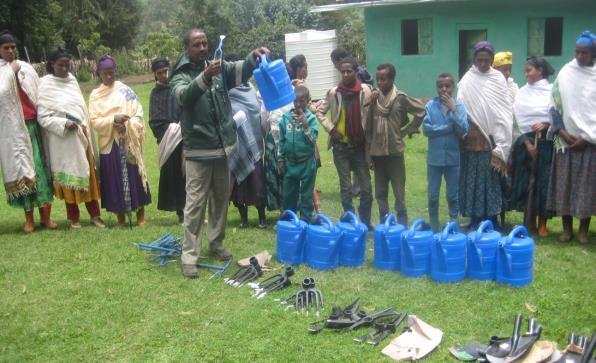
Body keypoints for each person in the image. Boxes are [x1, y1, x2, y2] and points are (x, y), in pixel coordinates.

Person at [169, 28, 269, 278]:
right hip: (199, 151)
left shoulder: (217, 66)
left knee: (221, 198)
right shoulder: (179, 74)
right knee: (194, 205)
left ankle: (215, 244)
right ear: (187, 48)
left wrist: (252, 58)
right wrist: (204, 77)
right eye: (196, 44)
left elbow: (238, 70)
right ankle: (189, 257)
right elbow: (184, 97)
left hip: (223, 148)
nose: (203, 48)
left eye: (204, 43)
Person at [37, 48, 105, 229]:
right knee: (69, 179)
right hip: (63, 140)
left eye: (68, 64)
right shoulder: (45, 85)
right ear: (52, 64)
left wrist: (80, 124)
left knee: (88, 175)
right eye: (61, 65)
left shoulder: (72, 81)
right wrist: (63, 123)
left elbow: (81, 108)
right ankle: (74, 218)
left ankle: (95, 215)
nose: (65, 68)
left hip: (82, 137)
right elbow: (43, 118)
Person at [0, 31, 57, 233]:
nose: (10, 51)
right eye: (6, 48)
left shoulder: (26, 68)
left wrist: (16, 70)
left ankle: (46, 218)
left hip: (34, 125)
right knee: (24, 173)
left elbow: (38, 93)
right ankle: (29, 219)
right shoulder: (2, 72)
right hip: (14, 132)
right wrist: (9, 72)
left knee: (40, 171)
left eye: (13, 47)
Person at [89, 54, 151, 227]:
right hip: (109, 143)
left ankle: (140, 215)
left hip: (128, 139)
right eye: (105, 73)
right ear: (99, 74)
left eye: (111, 72)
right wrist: (112, 120)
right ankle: (120, 218)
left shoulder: (126, 90)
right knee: (114, 180)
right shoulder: (95, 95)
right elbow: (94, 121)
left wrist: (128, 124)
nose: (109, 76)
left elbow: (138, 112)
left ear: (115, 71)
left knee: (134, 177)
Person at [457, 41, 513, 230]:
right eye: (479, 60)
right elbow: (460, 106)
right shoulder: (467, 79)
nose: (482, 64)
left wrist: (502, 141)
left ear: (491, 59)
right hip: (472, 138)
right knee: (472, 180)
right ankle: (474, 219)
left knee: (490, 181)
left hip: (491, 140)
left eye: (486, 60)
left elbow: (504, 111)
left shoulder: (498, 79)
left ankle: (491, 220)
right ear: (474, 59)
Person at [547, 31, 595, 244]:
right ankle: (567, 229)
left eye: (584, 52)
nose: (579, 56)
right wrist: (562, 132)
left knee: (586, 186)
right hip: (565, 141)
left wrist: (587, 136)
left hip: (589, 143)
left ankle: (583, 230)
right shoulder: (566, 73)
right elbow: (554, 104)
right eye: (577, 51)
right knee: (564, 186)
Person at [317, 56, 373, 229]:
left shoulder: (365, 91)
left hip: (359, 146)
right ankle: (350, 219)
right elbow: (319, 112)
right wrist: (331, 128)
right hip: (340, 146)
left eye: (350, 71)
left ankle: (364, 220)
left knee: (366, 188)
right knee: (346, 186)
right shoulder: (334, 92)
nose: (346, 74)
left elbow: (372, 112)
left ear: (356, 72)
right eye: (343, 72)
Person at [367, 63, 426, 227]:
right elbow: (369, 128)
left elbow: (421, 110)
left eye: (384, 79)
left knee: (399, 192)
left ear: (392, 79)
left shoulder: (400, 98)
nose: (380, 82)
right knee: (380, 192)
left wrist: (408, 130)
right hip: (378, 154)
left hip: (395, 153)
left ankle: (402, 222)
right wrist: (369, 154)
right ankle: (384, 221)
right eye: (378, 79)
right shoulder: (374, 99)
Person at [510, 56, 556, 237]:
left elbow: (557, 115)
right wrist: (526, 143)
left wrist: (545, 124)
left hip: (545, 141)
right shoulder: (521, 92)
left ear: (540, 71)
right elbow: (515, 120)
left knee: (542, 182)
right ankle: (528, 220)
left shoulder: (552, 92)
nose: (526, 74)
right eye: (525, 70)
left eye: (529, 70)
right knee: (526, 182)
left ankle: (543, 222)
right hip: (525, 141)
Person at [422, 73, 469, 232]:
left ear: (453, 87)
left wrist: (454, 110)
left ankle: (453, 222)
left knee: (452, 194)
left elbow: (463, 129)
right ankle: (434, 225)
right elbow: (427, 129)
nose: (444, 89)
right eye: (440, 86)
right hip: (434, 159)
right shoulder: (430, 106)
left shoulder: (459, 107)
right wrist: (448, 128)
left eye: (447, 86)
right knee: (433, 195)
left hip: (452, 159)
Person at [227, 58, 268, 229]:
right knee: (238, 186)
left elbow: (259, 114)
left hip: (254, 146)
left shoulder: (252, 91)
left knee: (257, 184)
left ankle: (261, 218)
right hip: (236, 147)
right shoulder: (225, 93)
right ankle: (243, 218)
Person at [148, 57, 185, 224]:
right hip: (168, 141)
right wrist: (172, 131)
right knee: (174, 176)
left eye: (165, 71)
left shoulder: (178, 88)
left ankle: (191, 210)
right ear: (155, 75)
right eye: (160, 73)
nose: (164, 75)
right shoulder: (155, 94)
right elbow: (154, 121)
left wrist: (183, 127)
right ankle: (180, 212)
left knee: (188, 175)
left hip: (185, 137)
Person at [278, 85, 319, 221]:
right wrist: (281, 159)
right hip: (290, 163)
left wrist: (306, 125)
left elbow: (313, 140)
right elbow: (282, 141)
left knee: (306, 194)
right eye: (296, 101)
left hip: (307, 163)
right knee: (289, 193)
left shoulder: (311, 119)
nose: (298, 104)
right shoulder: (285, 118)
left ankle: (305, 221)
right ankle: (289, 220)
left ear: (308, 101)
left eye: (302, 101)